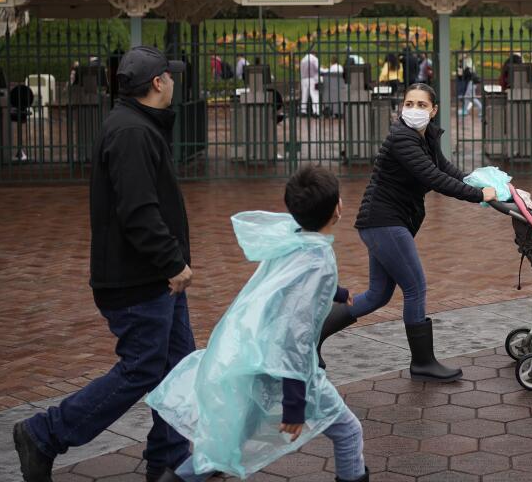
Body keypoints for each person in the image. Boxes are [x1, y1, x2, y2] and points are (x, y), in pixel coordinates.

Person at [14, 47, 194, 482]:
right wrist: (173, 262)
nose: (174, 82)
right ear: (157, 83)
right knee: (142, 370)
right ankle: (45, 433)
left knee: (178, 366)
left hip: (154, 278)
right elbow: (138, 211)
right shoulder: (132, 132)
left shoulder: (137, 125)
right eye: (170, 76)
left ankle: (168, 458)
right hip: (141, 280)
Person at [145, 166, 367, 482]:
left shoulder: (293, 241)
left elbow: (291, 285)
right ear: (338, 209)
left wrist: (337, 292)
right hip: (287, 370)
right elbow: (295, 334)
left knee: (227, 442)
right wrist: (295, 402)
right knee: (348, 432)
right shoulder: (318, 261)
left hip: (257, 359)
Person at [317, 83, 497, 381]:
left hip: (383, 223)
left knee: (378, 295)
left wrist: (477, 181)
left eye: (421, 105)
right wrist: (478, 196)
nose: (414, 109)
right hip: (384, 222)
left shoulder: (424, 137)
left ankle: (312, 335)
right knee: (415, 287)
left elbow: (445, 169)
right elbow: (433, 178)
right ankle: (423, 362)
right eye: (409, 103)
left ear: (433, 110)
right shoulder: (402, 138)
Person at [300, 50, 320, 116]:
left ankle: (303, 111)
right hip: (312, 78)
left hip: (303, 79)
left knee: (304, 95)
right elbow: (318, 69)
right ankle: (316, 111)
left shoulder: (303, 59)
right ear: (314, 54)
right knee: (314, 95)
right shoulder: (314, 59)